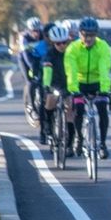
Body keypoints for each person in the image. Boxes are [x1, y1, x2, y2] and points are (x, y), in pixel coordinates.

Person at [65, 16, 111, 159]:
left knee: (102, 109)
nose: (89, 38)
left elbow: (104, 69)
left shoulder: (102, 46)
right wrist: (74, 90)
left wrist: (104, 89)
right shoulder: (73, 48)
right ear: (80, 34)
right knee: (78, 110)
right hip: (79, 83)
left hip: (97, 82)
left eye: (92, 35)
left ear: (96, 35)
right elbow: (71, 71)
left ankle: (103, 144)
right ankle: (79, 138)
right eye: (86, 35)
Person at [42, 25, 76, 157]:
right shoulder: (49, 54)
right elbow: (47, 71)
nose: (62, 46)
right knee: (50, 101)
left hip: (69, 84)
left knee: (70, 110)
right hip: (54, 84)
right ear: (53, 42)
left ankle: (70, 143)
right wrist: (46, 85)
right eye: (58, 43)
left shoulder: (72, 52)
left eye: (64, 42)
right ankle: (49, 130)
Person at [18, 17, 45, 139]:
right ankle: (33, 108)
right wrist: (33, 72)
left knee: (43, 82)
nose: (36, 33)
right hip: (25, 59)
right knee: (31, 82)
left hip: (39, 58)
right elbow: (27, 58)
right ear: (29, 31)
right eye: (34, 31)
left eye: (38, 31)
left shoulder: (44, 36)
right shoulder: (25, 38)